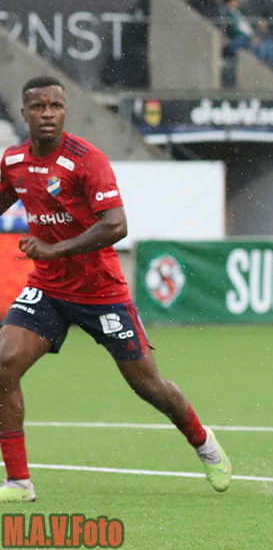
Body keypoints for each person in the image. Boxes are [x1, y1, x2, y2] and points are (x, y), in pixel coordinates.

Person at [0, 76, 231, 502]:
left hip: (100, 292)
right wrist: (48, 256)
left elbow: (116, 225)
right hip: (48, 289)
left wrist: (54, 249)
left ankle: (202, 442)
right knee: (3, 365)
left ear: (65, 111)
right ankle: (18, 482)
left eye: (55, 106)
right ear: (24, 114)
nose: (47, 114)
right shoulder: (14, 160)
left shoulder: (87, 160)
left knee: (148, 386)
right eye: (38, 107)